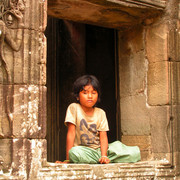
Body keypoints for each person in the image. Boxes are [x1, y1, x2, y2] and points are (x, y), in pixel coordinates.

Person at [56, 75, 141, 164]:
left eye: (93, 93)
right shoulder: (73, 108)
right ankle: (99, 159)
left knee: (132, 153)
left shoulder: (101, 113)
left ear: (98, 96)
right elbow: (71, 133)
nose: (90, 96)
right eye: (85, 93)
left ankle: (102, 160)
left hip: (100, 151)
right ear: (77, 96)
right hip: (84, 152)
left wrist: (103, 155)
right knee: (74, 153)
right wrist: (68, 160)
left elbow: (103, 137)